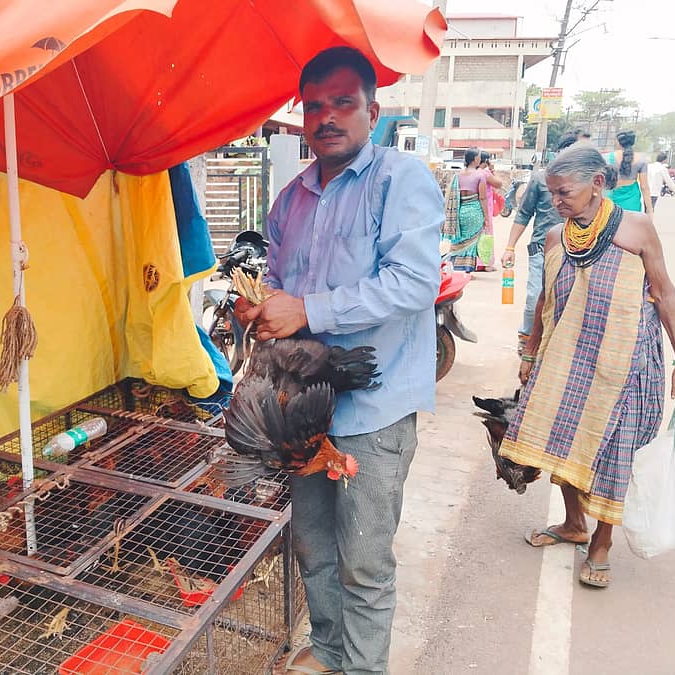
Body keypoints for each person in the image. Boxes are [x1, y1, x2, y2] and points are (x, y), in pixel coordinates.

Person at [237, 46, 442, 674]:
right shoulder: (289, 201)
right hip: (301, 413)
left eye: (342, 104)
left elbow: (413, 283)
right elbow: (278, 282)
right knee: (313, 546)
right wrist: (260, 306)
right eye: (315, 106)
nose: (327, 117)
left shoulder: (401, 180)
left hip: (374, 413)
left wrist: (307, 310)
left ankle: (362, 668)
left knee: (365, 561)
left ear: (372, 110)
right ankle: (328, 654)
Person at [499, 144, 675, 589]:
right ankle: (573, 523)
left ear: (598, 185)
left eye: (564, 192)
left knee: (613, 454)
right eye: (552, 193)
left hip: (625, 367)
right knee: (563, 440)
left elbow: (665, 295)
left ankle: (601, 545)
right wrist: (530, 355)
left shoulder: (638, 230)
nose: (556, 202)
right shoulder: (554, 237)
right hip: (566, 361)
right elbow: (544, 302)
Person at [501, 132, 580, 354]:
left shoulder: (586, 184)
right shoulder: (540, 179)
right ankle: (527, 337)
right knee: (535, 297)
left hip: (577, 250)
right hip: (542, 249)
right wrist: (509, 247)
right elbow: (523, 214)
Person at [443, 148, 487, 272]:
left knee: (459, 240)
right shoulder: (480, 175)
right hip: (475, 212)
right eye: (478, 157)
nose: (479, 159)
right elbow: (483, 198)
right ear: (475, 159)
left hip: (460, 212)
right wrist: (486, 218)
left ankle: (454, 264)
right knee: (472, 241)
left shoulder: (458, 176)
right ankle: (467, 266)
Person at [605, 130, 652, 215]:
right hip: (632, 201)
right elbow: (644, 187)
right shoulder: (641, 160)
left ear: (618, 142)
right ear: (633, 142)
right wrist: (649, 210)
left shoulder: (607, 158)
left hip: (611, 201)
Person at [477, 150, 503, 271]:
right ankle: (486, 263)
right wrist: (493, 170)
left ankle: (476, 262)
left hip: (474, 206)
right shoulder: (485, 173)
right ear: (486, 160)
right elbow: (498, 184)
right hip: (485, 206)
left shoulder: (473, 172)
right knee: (487, 234)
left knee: (476, 235)